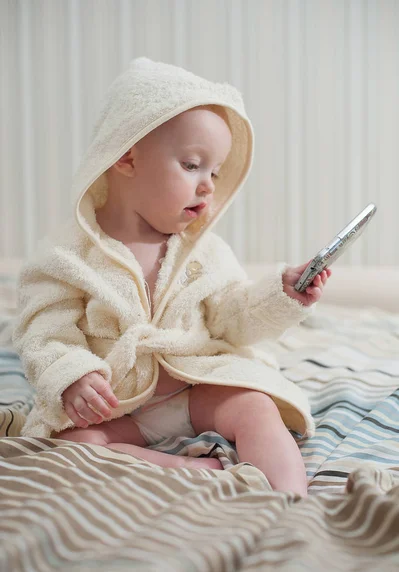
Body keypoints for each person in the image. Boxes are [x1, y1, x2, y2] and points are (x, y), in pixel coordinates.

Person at [13, 57, 331, 497]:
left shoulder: (204, 251)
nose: (208, 187)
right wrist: (72, 376)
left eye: (215, 173)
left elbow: (231, 318)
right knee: (73, 447)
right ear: (127, 157)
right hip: (116, 409)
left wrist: (282, 295)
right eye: (192, 165)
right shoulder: (66, 256)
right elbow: (43, 332)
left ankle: (291, 497)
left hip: (195, 388)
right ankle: (189, 470)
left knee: (255, 406)